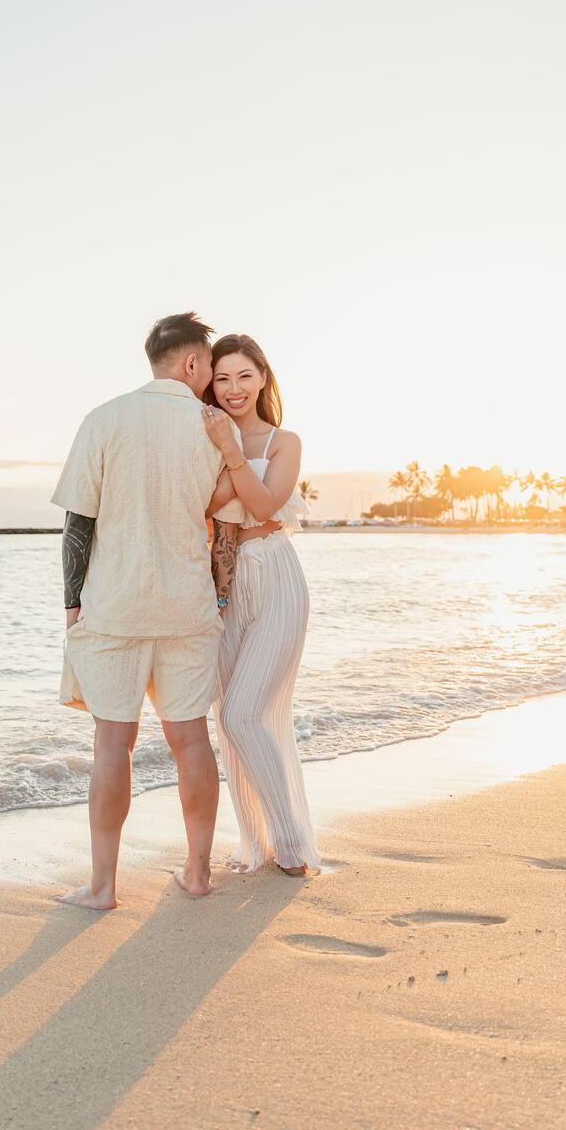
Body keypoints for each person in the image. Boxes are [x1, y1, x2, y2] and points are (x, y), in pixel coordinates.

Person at [52, 312, 244, 910]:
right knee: (191, 740)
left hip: (117, 607)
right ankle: (197, 873)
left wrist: (72, 605)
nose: (211, 377)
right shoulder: (215, 428)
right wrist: (217, 599)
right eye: (209, 366)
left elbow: (77, 526)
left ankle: (102, 887)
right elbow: (227, 533)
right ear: (191, 362)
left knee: (113, 743)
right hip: (188, 609)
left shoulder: (103, 418)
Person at [202, 334, 321, 875]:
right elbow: (199, 508)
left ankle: (292, 846)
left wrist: (231, 457)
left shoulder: (283, 441)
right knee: (228, 720)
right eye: (222, 378)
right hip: (223, 585)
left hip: (275, 576)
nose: (234, 388)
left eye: (245, 376)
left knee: (243, 711)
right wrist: (226, 467)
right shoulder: (202, 437)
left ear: (263, 378)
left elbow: (267, 503)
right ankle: (257, 842)